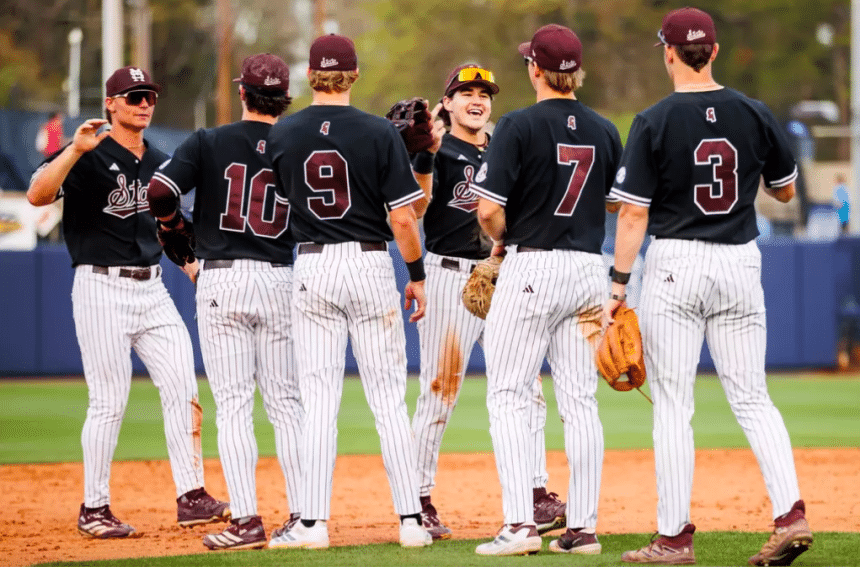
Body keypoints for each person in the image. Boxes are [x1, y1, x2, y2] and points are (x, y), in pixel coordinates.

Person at [604, 8, 813, 566]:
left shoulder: (654, 119)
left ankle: (674, 540)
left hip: (677, 260)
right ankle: (791, 514)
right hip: (739, 260)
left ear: (668, 53)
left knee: (674, 405)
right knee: (753, 397)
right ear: (714, 51)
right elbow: (785, 191)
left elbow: (632, 214)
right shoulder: (754, 112)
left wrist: (618, 286)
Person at [26, 66, 229, 539]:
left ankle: (191, 496)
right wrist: (74, 150)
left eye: (149, 96)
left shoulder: (161, 161)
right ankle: (94, 507)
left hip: (152, 287)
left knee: (183, 386)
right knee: (108, 402)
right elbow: (37, 194)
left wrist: (196, 272)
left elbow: (172, 229)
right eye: (134, 96)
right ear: (111, 104)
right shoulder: (87, 152)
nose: (143, 104)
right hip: (101, 286)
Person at [266, 33, 432, 549]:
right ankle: (411, 522)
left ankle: (312, 525)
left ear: (310, 76)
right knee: (388, 400)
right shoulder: (379, 131)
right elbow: (403, 218)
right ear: (354, 75)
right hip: (368, 262)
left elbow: (281, 203)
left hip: (313, 262)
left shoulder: (283, 132)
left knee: (319, 402)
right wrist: (417, 275)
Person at [470, 24, 622, 556]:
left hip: (532, 264)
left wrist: (501, 240)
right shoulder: (605, 130)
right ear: (576, 72)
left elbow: (487, 210)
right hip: (588, 269)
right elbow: (614, 202)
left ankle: (519, 526)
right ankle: (583, 529)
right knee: (580, 401)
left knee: (508, 394)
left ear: (535, 68)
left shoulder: (518, 124)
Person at [147, 53, 303, 551]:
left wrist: (173, 226)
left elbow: (160, 191)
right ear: (285, 99)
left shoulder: (208, 141)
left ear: (242, 93)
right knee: (287, 405)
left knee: (234, 407)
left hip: (224, 278)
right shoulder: (298, 142)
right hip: (281, 278)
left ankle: (247, 522)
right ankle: (304, 518)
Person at [409, 63, 566, 540]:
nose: (477, 100)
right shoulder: (436, 150)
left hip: (502, 276)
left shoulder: (504, 145)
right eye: (466, 92)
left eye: (484, 93)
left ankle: (536, 494)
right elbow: (414, 209)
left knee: (527, 389)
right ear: (447, 103)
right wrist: (422, 156)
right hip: (448, 275)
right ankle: (417, 500)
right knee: (440, 391)